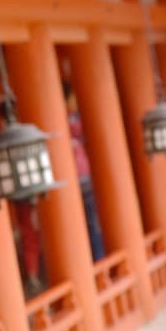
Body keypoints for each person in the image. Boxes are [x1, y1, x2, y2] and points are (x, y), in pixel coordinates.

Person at [63, 80, 108, 262]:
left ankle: (87, 260)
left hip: (67, 179)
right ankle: (98, 260)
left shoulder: (52, 119)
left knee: (74, 226)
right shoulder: (74, 118)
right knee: (92, 222)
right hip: (83, 175)